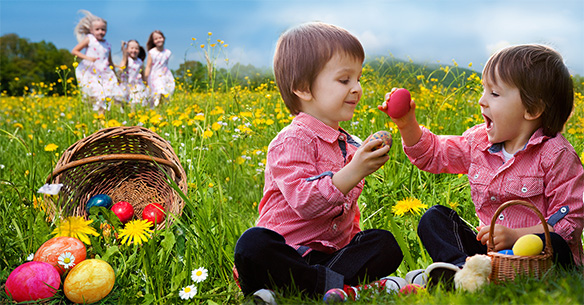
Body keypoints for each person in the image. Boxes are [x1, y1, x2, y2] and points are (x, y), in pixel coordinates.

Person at [380, 44, 584, 290]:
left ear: (532, 109)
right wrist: (406, 124)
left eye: (494, 94)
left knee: (558, 242)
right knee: (434, 217)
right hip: (491, 256)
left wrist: (516, 235)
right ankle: (463, 271)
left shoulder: (555, 155)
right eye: (483, 90)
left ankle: (461, 276)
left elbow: (569, 223)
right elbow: (433, 154)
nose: (482, 101)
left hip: (541, 257)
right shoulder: (478, 142)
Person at [234, 22, 404, 302]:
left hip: (329, 257)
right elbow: (304, 201)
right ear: (303, 88)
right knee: (253, 244)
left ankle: (311, 287)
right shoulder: (292, 140)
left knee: (384, 244)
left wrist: (356, 244)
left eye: (358, 78)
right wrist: (354, 171)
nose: (357, 88)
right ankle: (335, 287)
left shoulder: (350, 144)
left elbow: (349, 215)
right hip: (287, 252)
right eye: (344, 80)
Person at [71, 9, 123, 114]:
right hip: (91, 72)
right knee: (96, 95)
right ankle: (95, 115)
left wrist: (116, 74)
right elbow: (74, 51)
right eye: (97, 29)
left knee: (108, 94)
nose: (101, 32)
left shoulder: (108, 44)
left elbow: (110, 61)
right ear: (91, 30)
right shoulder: (89, 39)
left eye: (103, 29)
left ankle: (102, 116)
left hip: (104, 72)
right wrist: (88, 58)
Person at [144, 30, 175, 107]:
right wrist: (146, 78)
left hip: (166, 75)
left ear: (163, 38)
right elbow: (148, 66)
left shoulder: (168, 52)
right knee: (158, 93)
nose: (158, 40)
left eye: (160, 37)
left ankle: (161, 109)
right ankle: (156, 109)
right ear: (153, 41)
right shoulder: (152, 52)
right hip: (155, 76)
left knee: (166, 94)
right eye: (156, 39)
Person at [119, 40, 150, 107]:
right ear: (127, 49)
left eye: (136, 48)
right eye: (132, 48)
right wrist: (123, 50)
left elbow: (142, 74)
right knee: (125, 103)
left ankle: (134, 114)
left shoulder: (140, 61)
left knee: (137, 101)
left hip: (137, 84)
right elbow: (120, 69)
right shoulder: (126, 59)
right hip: (126, 85)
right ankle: (125, 115)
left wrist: (146, 84)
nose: (134, 50)